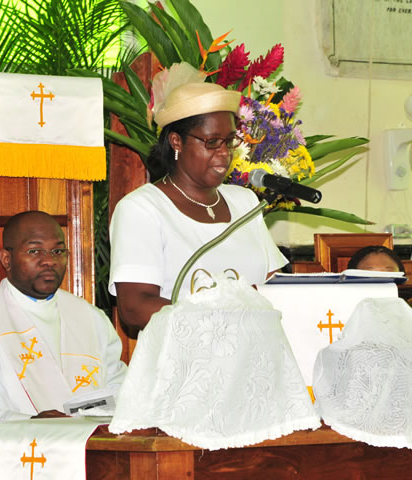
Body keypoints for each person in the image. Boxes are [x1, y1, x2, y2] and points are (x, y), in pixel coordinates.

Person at [0, 211, 126, 439]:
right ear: (6, 259)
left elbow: (122, 393)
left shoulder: (91, 319)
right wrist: (29, 424)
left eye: (58, 251)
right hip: (18, 461)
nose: (49, 260)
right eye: (34, 251)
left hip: (94, 459)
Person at [109, 81, 288, 330]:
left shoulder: (244, 201)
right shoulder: (142, 209)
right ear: (176, 142)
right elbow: (135, 307)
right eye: (212, 141)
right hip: (186, 358)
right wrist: (222, 315)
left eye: (229, 141)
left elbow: (275, 285)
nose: (224, 153)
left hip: (255, 353)